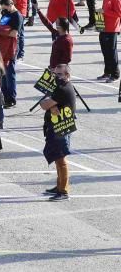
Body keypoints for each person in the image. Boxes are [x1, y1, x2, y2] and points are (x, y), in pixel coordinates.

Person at [41, 63, 76, 201]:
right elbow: (48, 104)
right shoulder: (59, 87)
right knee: (57, 157)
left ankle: (64, 191)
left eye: (59, 74)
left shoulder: (63, 88)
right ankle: (59, 186)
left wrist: (50, 105)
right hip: (57, 125)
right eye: (55, 74)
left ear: (67, 75)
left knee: (61, 159)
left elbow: (44, 105)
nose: (56, 77)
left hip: (61, 127)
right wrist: (51, 105)